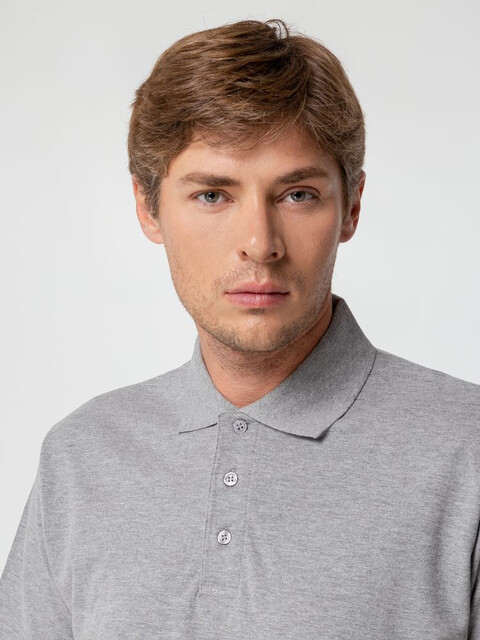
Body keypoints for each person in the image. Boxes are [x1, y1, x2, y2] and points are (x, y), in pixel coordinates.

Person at [0, 17, 479, 640]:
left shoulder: (466, 450)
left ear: (352, 207)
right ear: (148, 207)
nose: (259, 243)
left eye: (298, 194)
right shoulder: (81, 457)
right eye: (212, 195)